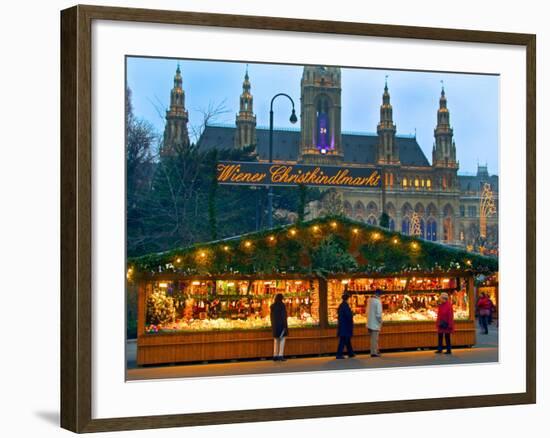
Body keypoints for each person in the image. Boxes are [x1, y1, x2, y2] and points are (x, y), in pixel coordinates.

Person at [336, 293, 355, 359]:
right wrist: (352, 314)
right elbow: (348, 316)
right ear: (347, 299)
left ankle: (351, 353)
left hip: (342, 325)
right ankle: (339, 354)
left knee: (347, 339)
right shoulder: (345, 306)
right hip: (345, 326)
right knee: (343, 339)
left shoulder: (341, 305)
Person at [270, 293, 288, 361]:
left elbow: (271, 317)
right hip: (281, 326)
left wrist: (273, 325)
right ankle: (280, 355)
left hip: (275, 326)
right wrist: (285, 326)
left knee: (276, 340)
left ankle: (275, 355)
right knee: (282, 340)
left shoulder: (272, 306)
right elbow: (284, 316)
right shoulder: (282, 305)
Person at [366, 289, 383, 357]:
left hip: (369, 323)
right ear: (379, 295)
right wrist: (380, 321)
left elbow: (366, 312)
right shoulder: (378, 302)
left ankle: (376, 351)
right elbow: (378, 314)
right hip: (375, 324)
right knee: (374, 339)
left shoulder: (369, 300)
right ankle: (374, 353)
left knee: (373, 339)